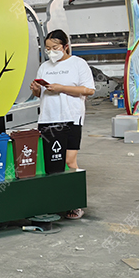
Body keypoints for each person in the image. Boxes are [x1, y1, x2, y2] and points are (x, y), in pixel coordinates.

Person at [30, 29, 95, 219]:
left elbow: (89, 90)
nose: (51, 52)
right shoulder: (44, 67)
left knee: (69, 161)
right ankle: (53, 202)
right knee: (49, 163)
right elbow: (40, 94)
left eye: (55, 47)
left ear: (65, 46)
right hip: (47, 119)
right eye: (47, 48)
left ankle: (75, 203)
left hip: (71, 118)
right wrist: (36, 90)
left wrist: (61, 88)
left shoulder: (78, 64)